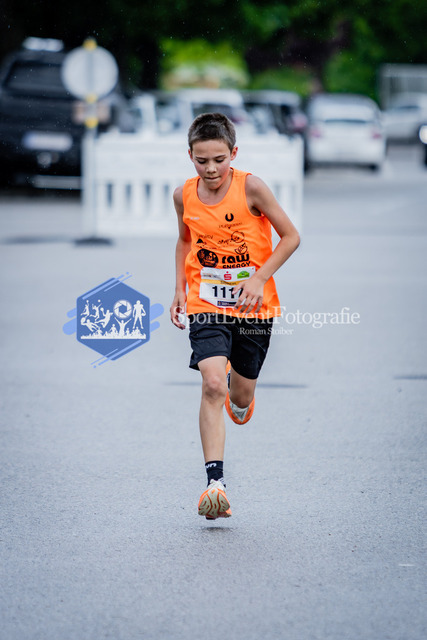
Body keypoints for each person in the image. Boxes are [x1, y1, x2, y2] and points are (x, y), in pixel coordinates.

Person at [170, 113, 300, 520]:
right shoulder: (183, 195)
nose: (210, 169)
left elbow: (291, 236)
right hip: (206, 303)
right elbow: (184, 242)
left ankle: (240, 394)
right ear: (190, 155)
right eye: (201, 160)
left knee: (238, 399)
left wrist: (259, 279)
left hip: (252, 306)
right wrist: (180, 289)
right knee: (212, 384)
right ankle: (215, 485)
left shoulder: (251, 188)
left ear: (234, 153)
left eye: (219, 160)